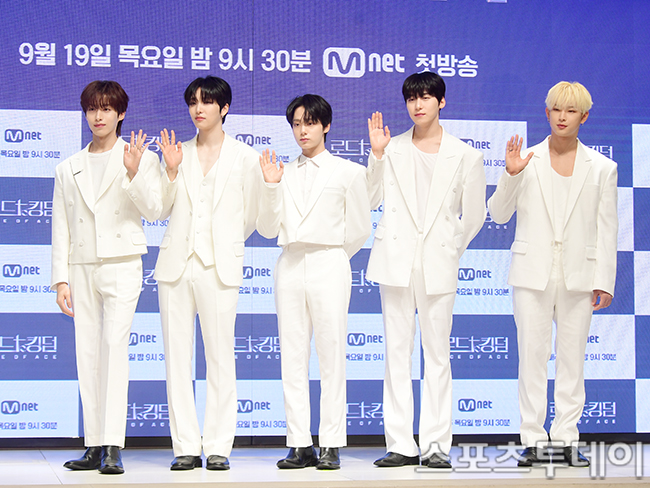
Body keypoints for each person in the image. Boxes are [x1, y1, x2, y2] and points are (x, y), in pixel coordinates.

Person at [487, 81, 618, 467]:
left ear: (584, 117)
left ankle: (566, 439)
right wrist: (510, 174)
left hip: (580, 275)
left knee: (572, 361)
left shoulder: (603, 167)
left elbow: (607, 228)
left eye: (571, 110)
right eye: (556, 109)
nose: (562, 117)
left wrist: (604, 280)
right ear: (546, 113)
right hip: (532, 274)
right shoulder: (526, 159)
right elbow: (498, 214)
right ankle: (532, 438)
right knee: (531, 358)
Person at [154, 76, 279, 471]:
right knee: (177, 360)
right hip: (176, 266)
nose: (198, 108)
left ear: (224, 108)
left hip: (220, 266)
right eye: (193, 101)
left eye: (207, 102)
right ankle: (185, 446)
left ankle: (219, 446)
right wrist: (170, 171)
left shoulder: (246, 158)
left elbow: (262, 222)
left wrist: (269, 190)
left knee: (221, 358)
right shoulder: (177, 153)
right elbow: (159, 209)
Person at [366, 72, 486, 468]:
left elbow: (474, 216)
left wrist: (449, 249)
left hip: (438, 262)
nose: (418, 105)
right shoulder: (391, 148)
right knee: (396, 354)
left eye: (426, 97)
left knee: (437, 356)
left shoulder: (465, 155)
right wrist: (377, 155)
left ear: (441, 102)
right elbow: (369, 198)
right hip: (395, 261)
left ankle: (436, 445)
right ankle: (401, 443)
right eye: (411, 99)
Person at [51, 80, 162, 474]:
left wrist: (133, 173)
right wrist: (60, 280)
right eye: (92, 109)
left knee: (114, 349)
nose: (98, 116)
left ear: (121, 113)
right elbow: (61, 226)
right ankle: (94, 443)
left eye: (106, 109)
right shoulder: (67, 167)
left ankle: (113, 445)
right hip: (81, 266)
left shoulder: (140, 157)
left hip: (122, 262)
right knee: (88, 354)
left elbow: (154, 211)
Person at [257, 94, 371, 470]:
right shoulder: (281, 172)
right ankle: (299, 443)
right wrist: (270, 187)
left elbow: (359, 229)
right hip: (289, 263)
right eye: (296, 124)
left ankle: (332, 443)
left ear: (326, 125)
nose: (302, 130)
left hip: (329, 262)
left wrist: (332, 254)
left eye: (309, 122)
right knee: (292, 357)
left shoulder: (349, 172)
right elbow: (267, 228)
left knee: (331, 355)